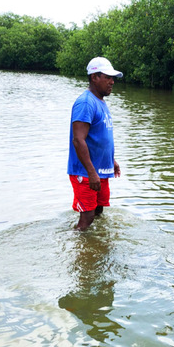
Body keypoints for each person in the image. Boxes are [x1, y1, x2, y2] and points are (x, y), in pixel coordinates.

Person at [67, 57, 123, 231]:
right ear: (94, 77)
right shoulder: (85, 103)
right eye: (108, 77)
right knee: (88, 216)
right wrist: (91, 172)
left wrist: (111, 160)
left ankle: (95, 245)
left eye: (112, 78)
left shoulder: (100, 102)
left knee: (99, 210)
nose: (112, 81)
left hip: (101, 170)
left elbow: (100, 137)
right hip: (85, 172)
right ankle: (81, 252)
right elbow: (78, 139)